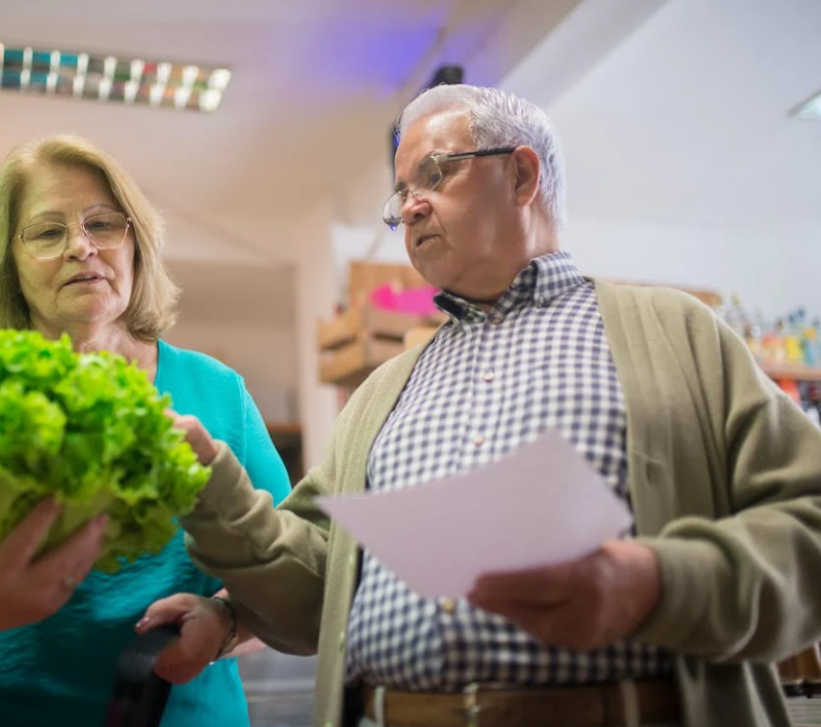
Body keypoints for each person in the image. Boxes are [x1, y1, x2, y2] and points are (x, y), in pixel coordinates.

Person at [151, 84, 821, 727]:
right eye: (401, 191)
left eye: (434, 174)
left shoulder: (677, 334)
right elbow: (314, 599)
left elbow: (808, 520)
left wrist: (658, 582)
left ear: (522, 177)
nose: (409, 207)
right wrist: (219, 493)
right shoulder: (381, 394)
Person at [0, 134, 292, 727]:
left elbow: (289, 575)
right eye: (47, 232)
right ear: (9, 261)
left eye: (103, 224)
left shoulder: (217, 393)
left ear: (135, 243)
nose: (81, 247)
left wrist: (226, 624)